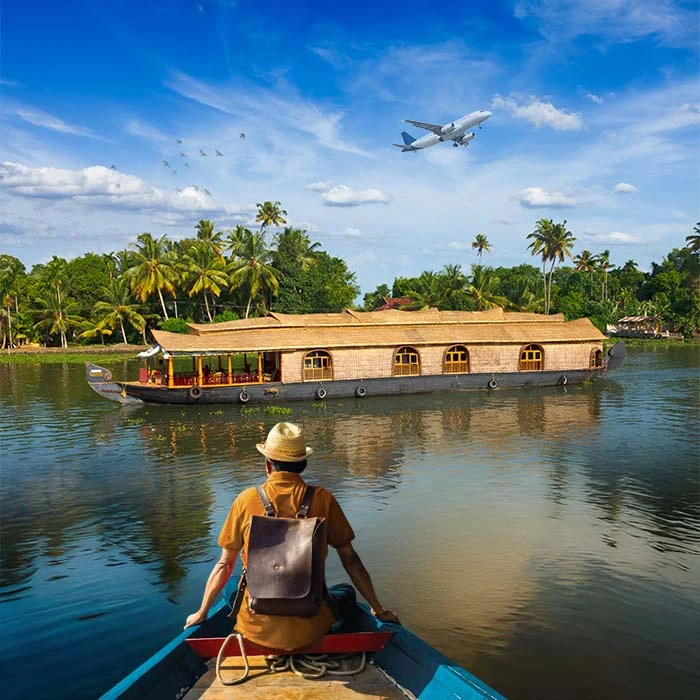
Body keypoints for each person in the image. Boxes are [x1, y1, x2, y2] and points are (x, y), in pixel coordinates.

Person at [184, 422, 399, 650]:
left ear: (268, 465)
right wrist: (378, 608)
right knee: (345, 592)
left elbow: (224, 565)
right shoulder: (323, 498)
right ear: (302, 464)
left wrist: (201, 612)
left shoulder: (245, 500)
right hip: (311, 628)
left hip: (257, 630)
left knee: (231, 589)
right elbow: (350, 559)